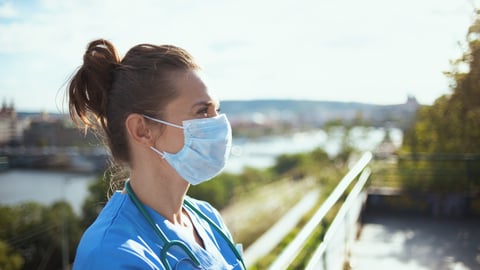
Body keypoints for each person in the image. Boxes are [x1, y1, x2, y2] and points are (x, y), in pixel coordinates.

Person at [69, 39, 246, 269]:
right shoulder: (109, 254)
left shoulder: (207, 217)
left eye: (217, 110)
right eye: (202, 111)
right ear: (142, 130)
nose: (219, 123)